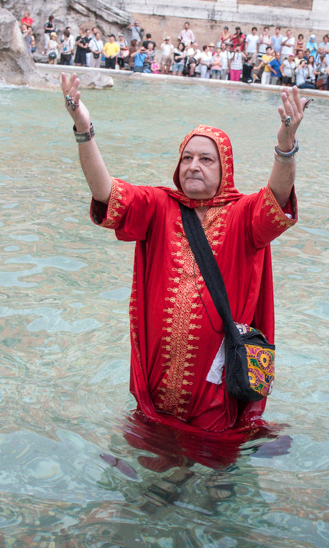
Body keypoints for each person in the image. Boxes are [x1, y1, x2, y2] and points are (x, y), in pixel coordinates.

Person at [57, 73, 302, 437]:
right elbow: (104, 190)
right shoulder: (158, 205)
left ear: (225, 169)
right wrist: (84, 128)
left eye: (206, 159)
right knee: (148, 471)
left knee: (213, 479)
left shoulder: (242, 214)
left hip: (216, 388)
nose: (193, 165)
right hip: (157, 384)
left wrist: (285, 147)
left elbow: (277, 197)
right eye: (187, 157)